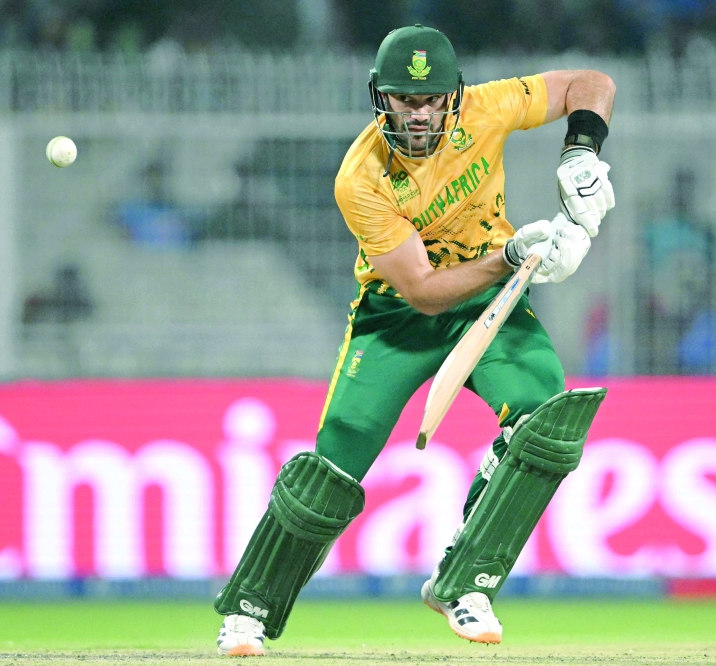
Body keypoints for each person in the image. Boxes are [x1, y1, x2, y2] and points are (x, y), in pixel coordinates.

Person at [213, 24, 615, 656]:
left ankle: (466, 582)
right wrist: (513, 256)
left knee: (545, 422)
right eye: (405, 100)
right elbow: (423, 290)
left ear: (454, 95)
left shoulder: (486, 107)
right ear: (382, 97)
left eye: (431, 100)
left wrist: (580, 152)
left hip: (487, 304)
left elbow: (591, 83)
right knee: (333, 466)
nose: (419, 114)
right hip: (396, 316)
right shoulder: (361, 177)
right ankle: (248, 609)